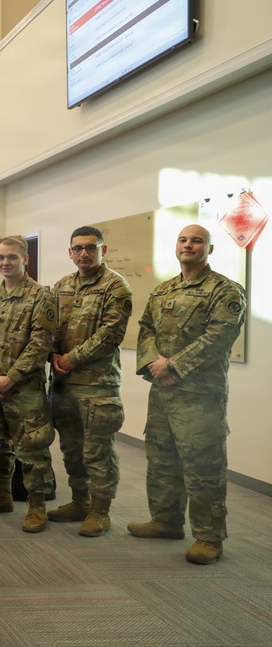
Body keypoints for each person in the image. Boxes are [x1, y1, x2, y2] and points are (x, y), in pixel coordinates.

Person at [129, 224, 246, 565]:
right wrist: (153, 363)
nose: (189, 245)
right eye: (183, 240)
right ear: (176, 246)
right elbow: (146, 328)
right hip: (163, 394)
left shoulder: (224, 290)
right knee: (162, 460)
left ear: (209, 249)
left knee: (202, 466)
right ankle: (165, 521)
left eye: (197, 241)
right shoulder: (163, 290)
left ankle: (209, 537)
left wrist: (173, 366)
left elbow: (219, 336)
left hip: (200, 395)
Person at [47, 226, 133, 536]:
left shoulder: (116, 286)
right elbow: (48, 328)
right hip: (63, 386)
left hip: (97, 387)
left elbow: (110, 334)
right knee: (72, 450)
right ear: (69, 252)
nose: (84, 253)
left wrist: (71, 358)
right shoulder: (61, 286)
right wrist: (52, 356)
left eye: (91, 247)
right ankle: (79, 502)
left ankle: (100, 511)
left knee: (98, 453)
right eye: (78, 248)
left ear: (102, 250)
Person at [0, 235, 56, 533]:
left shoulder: (40, 297)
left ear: (25, 259)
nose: (6, 263)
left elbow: (40, 343)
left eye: (12, 257)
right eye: (1, 258)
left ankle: (37, 506)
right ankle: (2, 496)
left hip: (23, 389)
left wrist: (10, 378)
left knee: (32, 450)